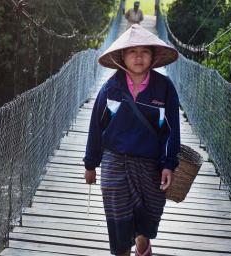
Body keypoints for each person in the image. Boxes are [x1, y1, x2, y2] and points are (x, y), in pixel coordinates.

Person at [83, 24, 180, 256]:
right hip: (114, 162)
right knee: (118, 221)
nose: (138, 56)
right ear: (122, 57)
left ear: (153, 56)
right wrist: (90, 164)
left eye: (145, 51)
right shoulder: (110, 89)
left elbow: (171, 130)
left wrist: (169, 164)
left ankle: (143, 244)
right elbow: (96, 127)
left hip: (150, 165)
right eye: (131, 51)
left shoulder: (164, 88)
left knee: (148, 218)